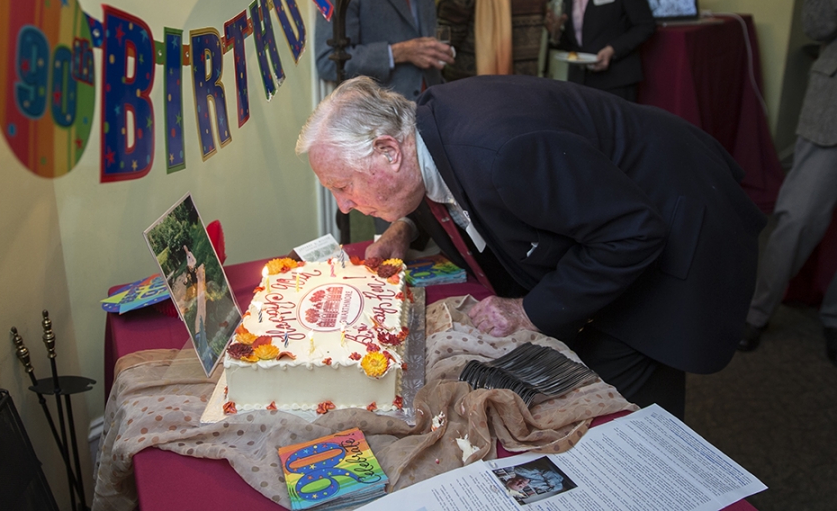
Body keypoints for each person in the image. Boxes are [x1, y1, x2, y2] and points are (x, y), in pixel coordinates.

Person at [295, 75, 765, 419]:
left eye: (343, 185)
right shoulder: (423, 131)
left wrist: (527, 311)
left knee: (614, 411)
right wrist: (402, 229)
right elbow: (437, 186)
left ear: (388, 151)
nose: (343, 204)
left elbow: (632, 234)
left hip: (677, 220)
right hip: (617, 216)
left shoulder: (501, 153)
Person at [315, 0, 454, 235]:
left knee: (443, 231)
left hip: (432, 113)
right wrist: (399, 53)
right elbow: (328, 61)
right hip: (385, 128)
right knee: (394, 234)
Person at [739, 0, 837, 365]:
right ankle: (756, 312)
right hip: (831, 110)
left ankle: (835, 318)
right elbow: (815, 21)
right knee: (798, 218)